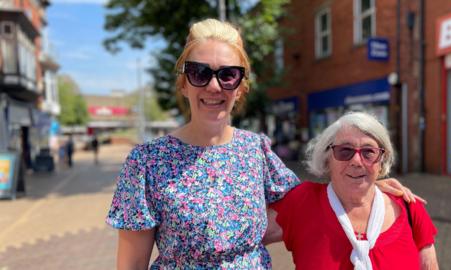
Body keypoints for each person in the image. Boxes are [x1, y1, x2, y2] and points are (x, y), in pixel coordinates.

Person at [106, 19, 419, 270]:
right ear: (183, 83)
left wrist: (366, 187)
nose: (214, 85)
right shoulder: (147, 161)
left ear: (240, 88)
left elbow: (307, 204)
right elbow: (132, 263)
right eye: (199, 72)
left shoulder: (255, 150)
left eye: (228, 75)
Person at [268, 111, 439, 270]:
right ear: (328, 160)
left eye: (368, 152)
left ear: (381, 161)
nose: (357, 161)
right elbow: (244, 236)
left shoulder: (409, 207)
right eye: (345, 151)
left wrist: (368, 185)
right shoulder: (303, 202)